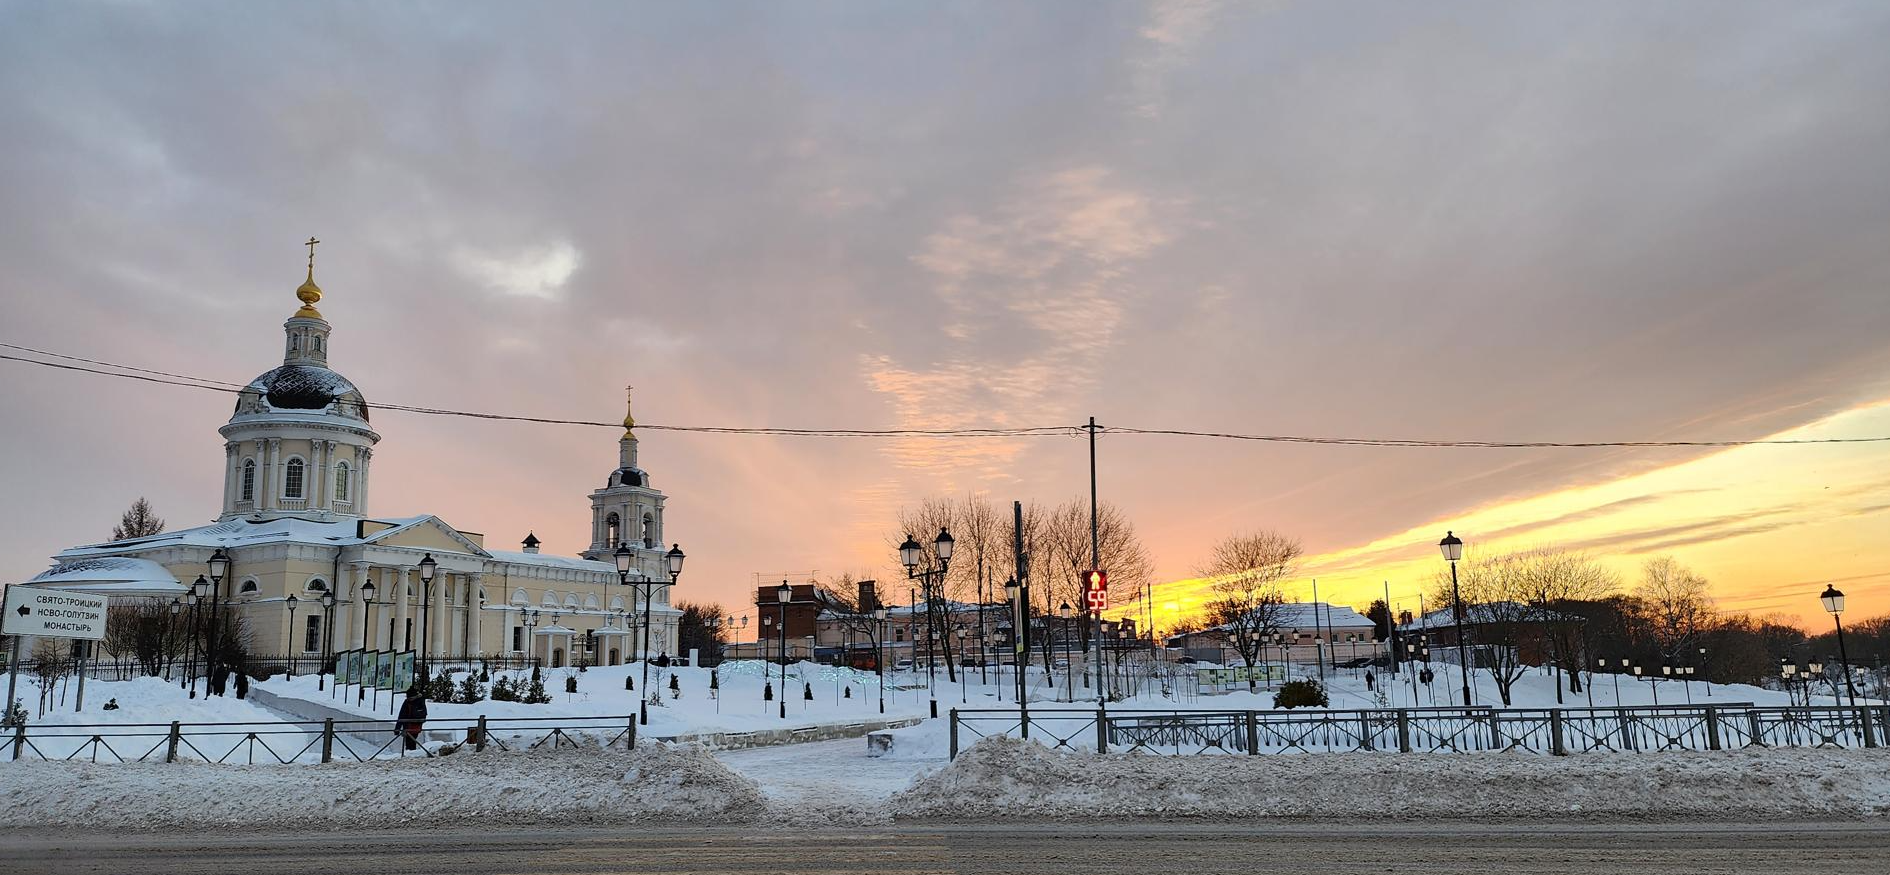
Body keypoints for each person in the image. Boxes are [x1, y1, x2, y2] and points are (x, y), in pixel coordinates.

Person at [396, 685, 427, 752]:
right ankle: (411, 753)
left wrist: (397, 728)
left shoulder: (408, 702)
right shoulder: (420, 701)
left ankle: (410, 754)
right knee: (411, 741)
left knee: (410, 742)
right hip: (415, 727)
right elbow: (424, 715)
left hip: (410, 726)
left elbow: (401, 715)